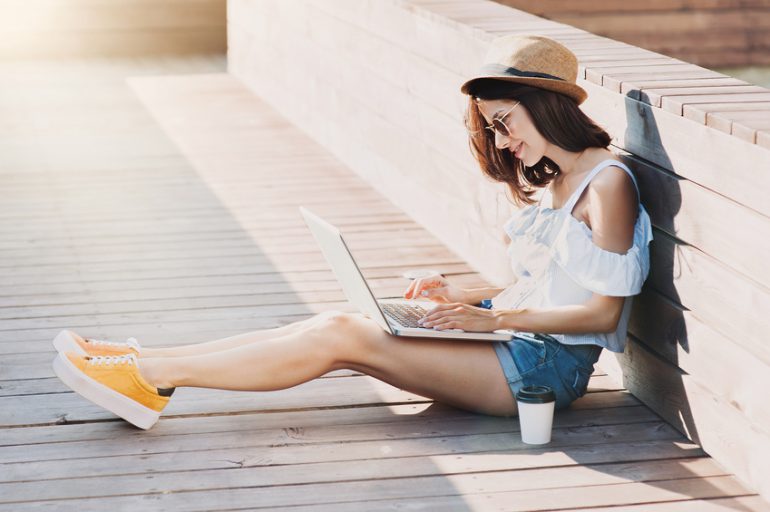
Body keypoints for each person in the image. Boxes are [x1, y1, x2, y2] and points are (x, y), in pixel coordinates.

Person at [51, 35, 653, 430]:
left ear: (545, 105)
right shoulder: (560, 180)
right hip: (513, 344)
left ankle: (150, 377)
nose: (500, 142)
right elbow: (540, 286)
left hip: (544, 371)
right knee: (334, 320)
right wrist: (459, 301)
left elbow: (602, 315)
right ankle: (142, 362)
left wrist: (491, 320)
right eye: (493, 128)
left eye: (504, 123)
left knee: (343, 334)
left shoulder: (607, 184)